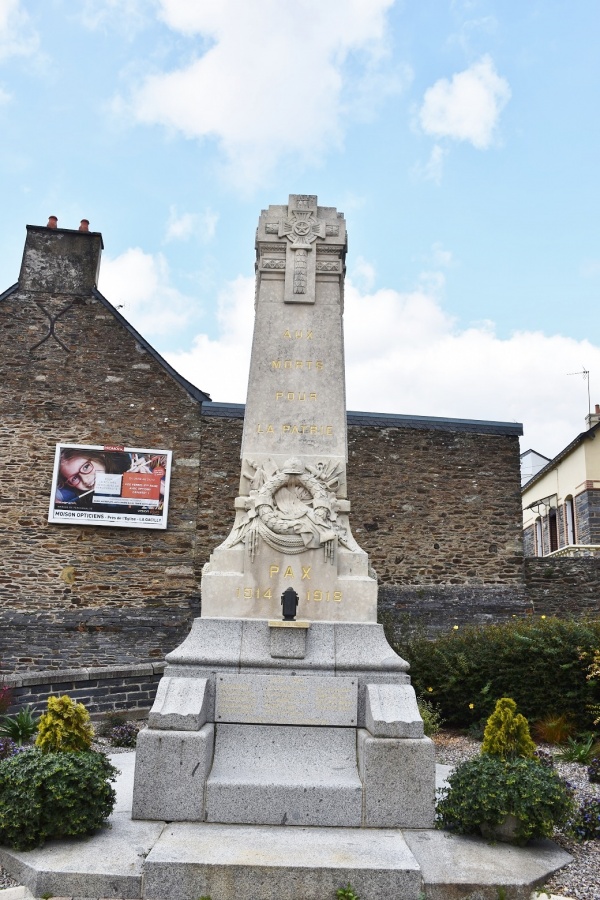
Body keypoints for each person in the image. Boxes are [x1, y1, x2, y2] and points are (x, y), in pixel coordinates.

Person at [55, 449, 130, 504]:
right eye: (74, 478)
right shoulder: (74, 493)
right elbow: (58, 495)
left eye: (86, 467)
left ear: (100, 456)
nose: (85, 481)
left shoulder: (128, 463)